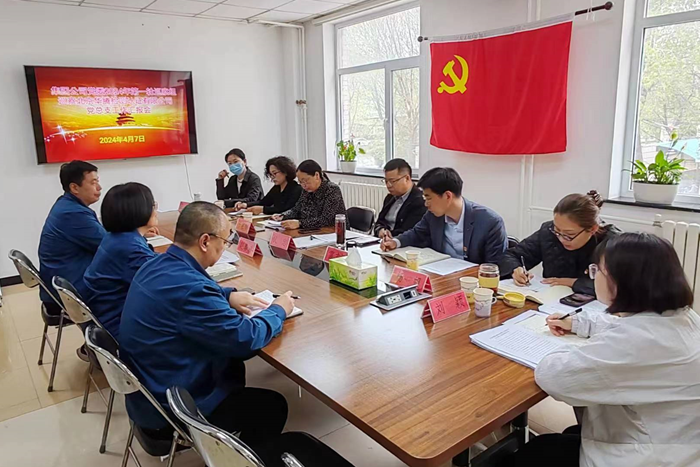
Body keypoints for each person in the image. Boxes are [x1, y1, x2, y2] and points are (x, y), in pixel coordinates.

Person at [499, 233, 700, 467]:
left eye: (597, 270)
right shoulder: (684, 317)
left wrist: (569, 347)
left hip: (642, 457)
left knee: (534, 453)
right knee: (565, 436)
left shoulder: (633, 344)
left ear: (623, 281)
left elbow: (552, 376)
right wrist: (578, 323)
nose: (593, 276)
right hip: (674, 442)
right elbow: (626, 324)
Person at [120, 202, 295, 445]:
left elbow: (185, 293)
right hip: (174, 407)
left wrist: (226, 295)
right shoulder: (191, 289)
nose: (225, 247)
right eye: (224, 240)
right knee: (272, 406)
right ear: (205, 241)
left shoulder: (155, 264)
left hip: (148, 392)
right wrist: (278, 310)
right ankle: (236, 458)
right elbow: (245, 339)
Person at [499, 191, 620, 296]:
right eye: (557, 230)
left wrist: (574, 283)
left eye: (569, 235)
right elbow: (511, 255)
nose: (561, 239)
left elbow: (622, 287)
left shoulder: (614, 243)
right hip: (550, 302)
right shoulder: (548, 232)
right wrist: (516, 269)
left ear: (593, 229)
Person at [381, 167, 507, 264]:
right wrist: (395, 242)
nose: (426, 204)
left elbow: (494, 266)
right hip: (441, 275)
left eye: (428, 198)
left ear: (447, 196)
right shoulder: (433, 216)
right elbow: (417, 233)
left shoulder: (490, 222)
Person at [83, 183, 159, 340]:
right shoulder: (130, 249)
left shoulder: (116, 238)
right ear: (138, 210)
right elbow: (164, 286)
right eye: (152, 205)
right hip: (120, 326)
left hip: (106, 316)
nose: (155, 209)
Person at [39, 161, 105, 314]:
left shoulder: (67, 205)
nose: (99, 187)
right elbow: (110, 246)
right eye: (93, 183)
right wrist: (138, 235)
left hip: (63, 284)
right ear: (74, 187)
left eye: (98, 181)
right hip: (70, 292)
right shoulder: (73, 214)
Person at [272, 160, 346, 230]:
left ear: (317, 175)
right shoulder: (306, 190)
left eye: (306, 181)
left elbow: (325, 220)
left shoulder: (332, 189)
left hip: (333, 232)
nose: (304, 185)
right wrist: (283, 216)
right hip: (311, 231)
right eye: (301, 182)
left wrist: (300, 223)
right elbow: (297, 209)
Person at [373, 158, 426, 240]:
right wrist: (380, 230)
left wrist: (389, 234)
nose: (388, 185)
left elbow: (409, 231)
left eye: (392, 181)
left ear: (407, 178)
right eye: (386, 181)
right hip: (382, 241)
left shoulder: (419, 201)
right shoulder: (390, 198)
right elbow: (379, 222)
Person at [234, 156, 302, 215]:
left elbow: (285, 209)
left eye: (275, 173)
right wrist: (246, 204)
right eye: (270, 175)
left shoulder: (296, 189)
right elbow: (264, 202)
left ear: (285, 172)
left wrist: (263, 209)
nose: (272, 177)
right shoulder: (276, 188)